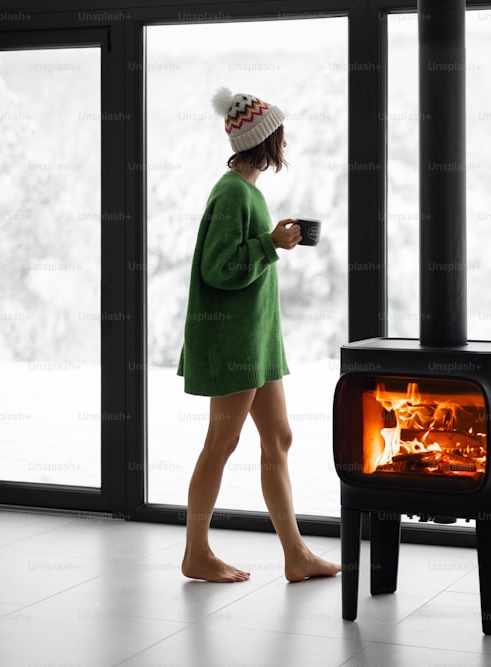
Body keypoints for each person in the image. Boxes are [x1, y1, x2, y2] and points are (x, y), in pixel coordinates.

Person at [177, 87, 340, 583]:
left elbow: (243, 257)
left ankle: (295, 555)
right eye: (280, 136)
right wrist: (270, 244)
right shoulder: (231, 193)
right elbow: (218, 270)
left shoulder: (247, 191)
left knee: (279, 437)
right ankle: (196, 553)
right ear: (264, 140)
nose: (285, 145)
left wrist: (272, 242)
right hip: (234, 344)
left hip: (257, 340)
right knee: (220, 444)